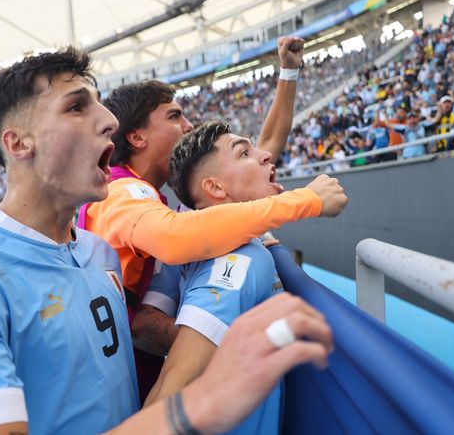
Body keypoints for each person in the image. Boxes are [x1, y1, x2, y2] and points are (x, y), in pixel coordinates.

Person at [0, 47, 333, 434]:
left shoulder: (99, 253)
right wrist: (197, 400)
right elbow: (173, 243)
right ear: (18, 143)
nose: (109, 120)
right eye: (76, 106)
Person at [80, 37, 347, 399]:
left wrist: (287, 73)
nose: (188, 125)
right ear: (137, 136)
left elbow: (259, 156)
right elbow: (175, 239)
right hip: (127, 385)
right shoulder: (122, 191)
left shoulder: (158, 199)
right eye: (174, 116)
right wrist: (307, 201)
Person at [144, 121, 332, 435]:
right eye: (244, 152)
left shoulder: (222, 246)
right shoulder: (239, 259)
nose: (265, 155)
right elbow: (172, 389)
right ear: (215, 189)